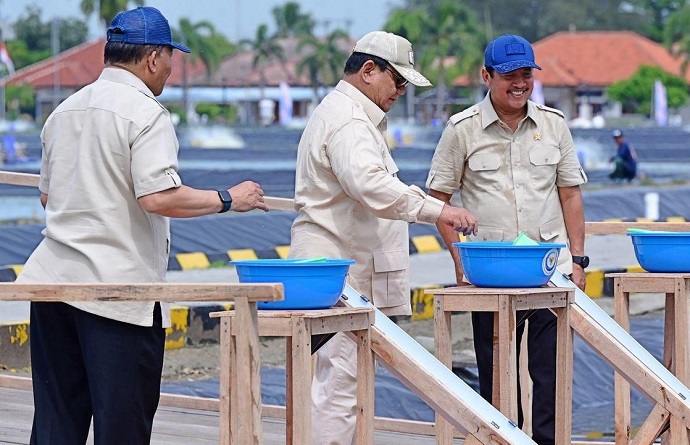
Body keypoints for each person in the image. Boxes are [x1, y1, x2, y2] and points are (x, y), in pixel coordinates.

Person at [15, 7, 269, 444]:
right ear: (153, 58)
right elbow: (158, 196)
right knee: (123, 427)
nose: (171, 69)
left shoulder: (64, 111)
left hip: (53, 287)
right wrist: (230, 199)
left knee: (57, 424)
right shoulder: (146, 114)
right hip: (117, 295)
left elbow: (46, 195)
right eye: (171, 58)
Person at [288, 31, 478, 444]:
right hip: (339, 272)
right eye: (398, 80)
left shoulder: (348, 115)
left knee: (344, 386)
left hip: (342, 271)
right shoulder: (350, 122)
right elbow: (372, 187)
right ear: (369, 70)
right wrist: (439, 210)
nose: (401, 90)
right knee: (340, 388)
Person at [426, 34, 588, 445]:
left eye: (526, 75)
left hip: (549, 271)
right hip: (490, 273)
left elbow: (570, 193)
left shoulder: (553, 125)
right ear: (486, 75)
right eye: (509, 76)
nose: (519, 84)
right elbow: (438, 202)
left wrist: (580, 261)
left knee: (550, 372)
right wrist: (460, 263)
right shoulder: (461, 130)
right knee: (497, 375)